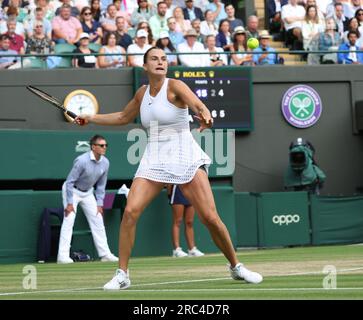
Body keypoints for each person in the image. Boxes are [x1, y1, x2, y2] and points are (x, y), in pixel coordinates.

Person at [74, 46, 263, 290]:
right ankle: (122, 274)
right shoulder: (142, 93)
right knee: (131, 211)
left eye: (164, 59)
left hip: (184, 152)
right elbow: (123, 117)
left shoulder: (175, 86)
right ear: (145, 66)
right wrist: (91, 117)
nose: (160, 62)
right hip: (154, 156)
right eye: (154, 59)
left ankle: (236, 267)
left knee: (210, 218)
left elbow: (198, 105)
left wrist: (205, 115)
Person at [57, 134, 118, 264]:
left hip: (88, 193)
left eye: (106, 145)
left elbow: (101, 185)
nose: (104, 148)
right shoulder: (82, 161)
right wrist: (69, 203)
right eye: (101, 145)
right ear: (93, 147)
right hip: (72, 191)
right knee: (69, 221)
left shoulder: (106, 162)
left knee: (98, 220)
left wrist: (100, 204)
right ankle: (62, 257)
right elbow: (69, 182)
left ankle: (105, 254)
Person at [167, 184, 204, 257]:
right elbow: (169, 183)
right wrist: (169, 194)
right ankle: (176, 250)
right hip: (177, 191)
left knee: (189, 222)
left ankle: (192, 250)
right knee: (178, 221)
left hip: (190, 190)